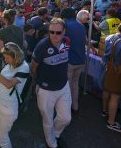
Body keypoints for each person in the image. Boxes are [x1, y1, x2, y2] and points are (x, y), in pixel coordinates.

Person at [31, 18, 71, 148]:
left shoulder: (67, 42)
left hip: (64, 86)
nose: (54, 35)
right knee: (47, 120)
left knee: (65, 118)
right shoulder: (42, 46)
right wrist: (38, 83)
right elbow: (33, 67)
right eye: (51, 32)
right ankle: (51, 143)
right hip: (46, 90)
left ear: (64, 32)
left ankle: (56, 134)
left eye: (58, 32)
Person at [0, 42, 29, 148]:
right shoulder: (10, 64)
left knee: (2, 138)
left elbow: (9, 84)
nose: (5, 60)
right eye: (4, 57)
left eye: (7, 58)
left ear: (16, 56)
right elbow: (3, 81)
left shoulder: (24, 67)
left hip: (8, 108)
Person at [61, 8, 86, 114]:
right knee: (75, 84)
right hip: (80, 59)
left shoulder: (65, 25)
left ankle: (65, 108)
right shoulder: (81, 25)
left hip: (70, 60)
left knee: (66, 85)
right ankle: (75, 106)